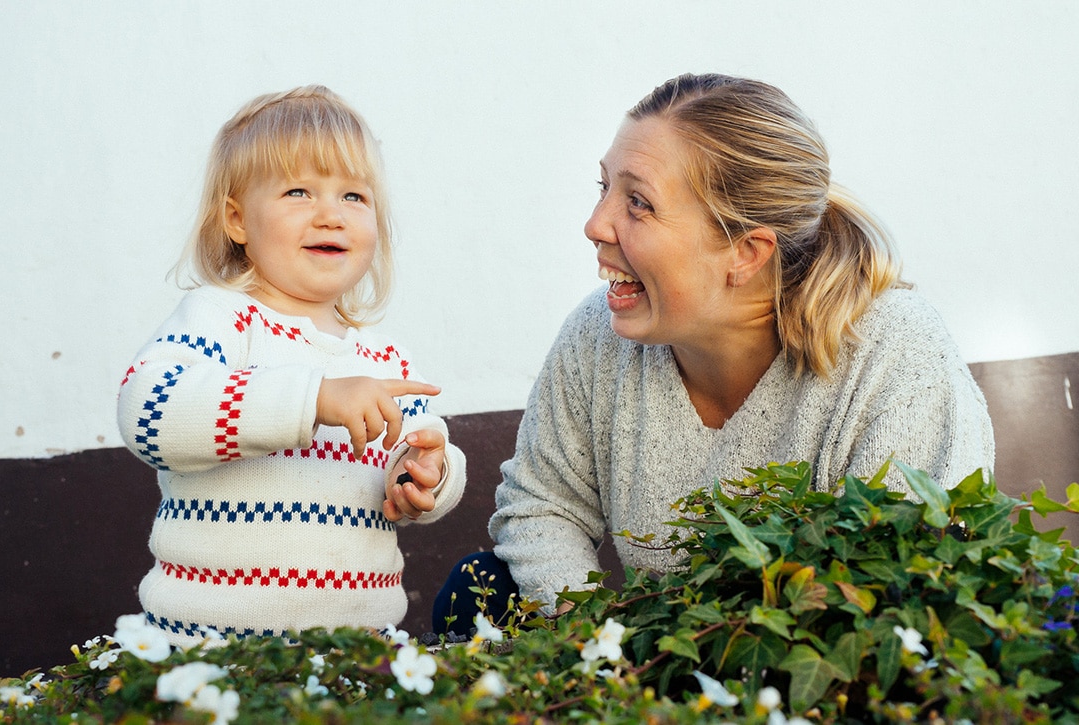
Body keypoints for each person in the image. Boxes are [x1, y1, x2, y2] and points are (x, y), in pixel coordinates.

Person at [433, 72, 993, 635]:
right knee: (478, 589)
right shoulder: (596, 335)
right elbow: (543, 506)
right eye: (603, 187)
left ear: (747, 253)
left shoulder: (896, 356)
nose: (595, 224)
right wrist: (604, 651)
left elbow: (902, 586)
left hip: (813, 670)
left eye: (638, 203)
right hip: (655, 661)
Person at [117, 86, 466, 647]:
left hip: (356, 651)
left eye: (353, 196)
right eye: (298, 191)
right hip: (212, 652)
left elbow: (426, 445)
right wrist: (315, 399)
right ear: (236, 220)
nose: (330, 215)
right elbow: (148, 411)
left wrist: (428, 477)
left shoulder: (382, 359)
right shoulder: (222, 320)